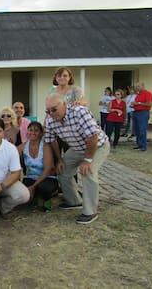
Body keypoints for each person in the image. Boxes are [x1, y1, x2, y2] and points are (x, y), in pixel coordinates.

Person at [44, 93, 110, 224]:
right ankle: (74, 201)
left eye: (53, 109)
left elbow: (93, 136)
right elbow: (51, 140)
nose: (51, 113)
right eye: (48, 111)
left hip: (97, 146)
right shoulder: (50, 121)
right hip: (77, 148)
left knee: (88, 173)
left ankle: (90, 212)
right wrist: (60, 159)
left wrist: (88, 160)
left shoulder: (80, 112)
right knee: (62, 171)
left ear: (64, 105)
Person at [17, 122, 58, 212]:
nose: (33, 133)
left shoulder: (45, 146)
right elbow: (11, 154)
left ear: (41, 133)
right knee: (21, 191)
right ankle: (34, 198)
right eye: (30, 130)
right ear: (27, 132)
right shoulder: (24, 145)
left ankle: (46, 200)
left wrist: (33, 186)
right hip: (30, 176)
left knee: (43, 188)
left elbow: (48, 170)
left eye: (36, 130)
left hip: (47, 177)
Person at [131, 82, 152, 151]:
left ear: (143, 86)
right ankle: (139, 144)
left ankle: (143, 146)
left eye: (138, 86)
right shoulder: (138, 95)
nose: (137, 88)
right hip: (136, 112)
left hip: (143, 113)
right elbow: (138, 104)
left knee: (142, 130)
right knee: (137, 130)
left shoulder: (147, 94)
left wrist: (138, 103)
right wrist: (133, 105)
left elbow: (149, 104)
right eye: (136, 86)